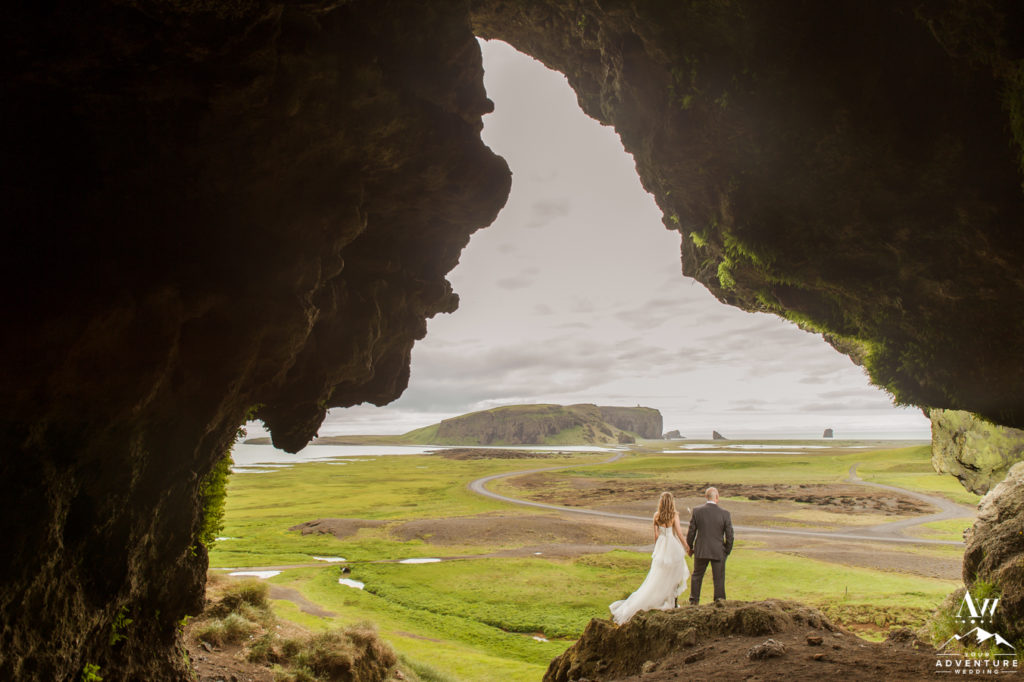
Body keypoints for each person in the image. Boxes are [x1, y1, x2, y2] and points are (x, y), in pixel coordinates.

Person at [609, 492, 690, 625]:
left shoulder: (656, 516)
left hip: (661, 545)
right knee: (675, 573)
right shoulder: (674, 515)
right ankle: (672, 601)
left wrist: (658, 549)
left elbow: (656, 536)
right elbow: (679, 533)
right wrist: (686, 547)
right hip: (672, 545)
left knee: (659, 575)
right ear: (671, 502)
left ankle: (663, 599)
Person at [686, 486, 734, 604]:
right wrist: (726, 551)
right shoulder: (725, 514)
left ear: (706, 497)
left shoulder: (697, 511)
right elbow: (730, 535)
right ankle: (719, 602)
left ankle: (694, 602)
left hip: (701, 550)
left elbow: (691, 532)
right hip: (718, 551)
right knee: (718, 579)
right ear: (717, 497)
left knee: (697, 576)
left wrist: (690, 547)